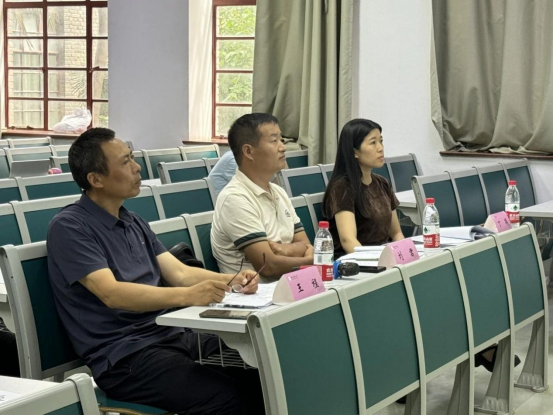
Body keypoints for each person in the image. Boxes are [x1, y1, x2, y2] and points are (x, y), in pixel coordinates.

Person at [47, 128, 264, 415]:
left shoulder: (132, 220)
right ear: (96, 179)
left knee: (263, 374)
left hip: (171, 335)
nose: (137, 167)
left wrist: (232, 279)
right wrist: (188, 296)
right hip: (126, 356)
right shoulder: (70, 227)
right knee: (229, 398)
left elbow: (181, 273)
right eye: (125, 162)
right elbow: (112, 293)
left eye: (132, 157)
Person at [211, 113, 314, 280]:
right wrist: (309, 261)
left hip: (290, 284)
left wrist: (285, 250)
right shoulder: (235, 198)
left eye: (281, 140)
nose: (283, 147)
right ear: (249, 151)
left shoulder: (278, 191)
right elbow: (268, 266)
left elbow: (306, 244)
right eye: (274, 141)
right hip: (255, 292)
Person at [322, 118, 404, 258]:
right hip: (356, 262)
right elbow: (348, 241)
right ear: (355, 152)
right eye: (373, 142)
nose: (380, 148)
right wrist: (376, 261)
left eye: (381, 141)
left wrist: (404, 256)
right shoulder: (342, 188)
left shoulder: (382, 183)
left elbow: (396, 233)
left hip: (384, 258)